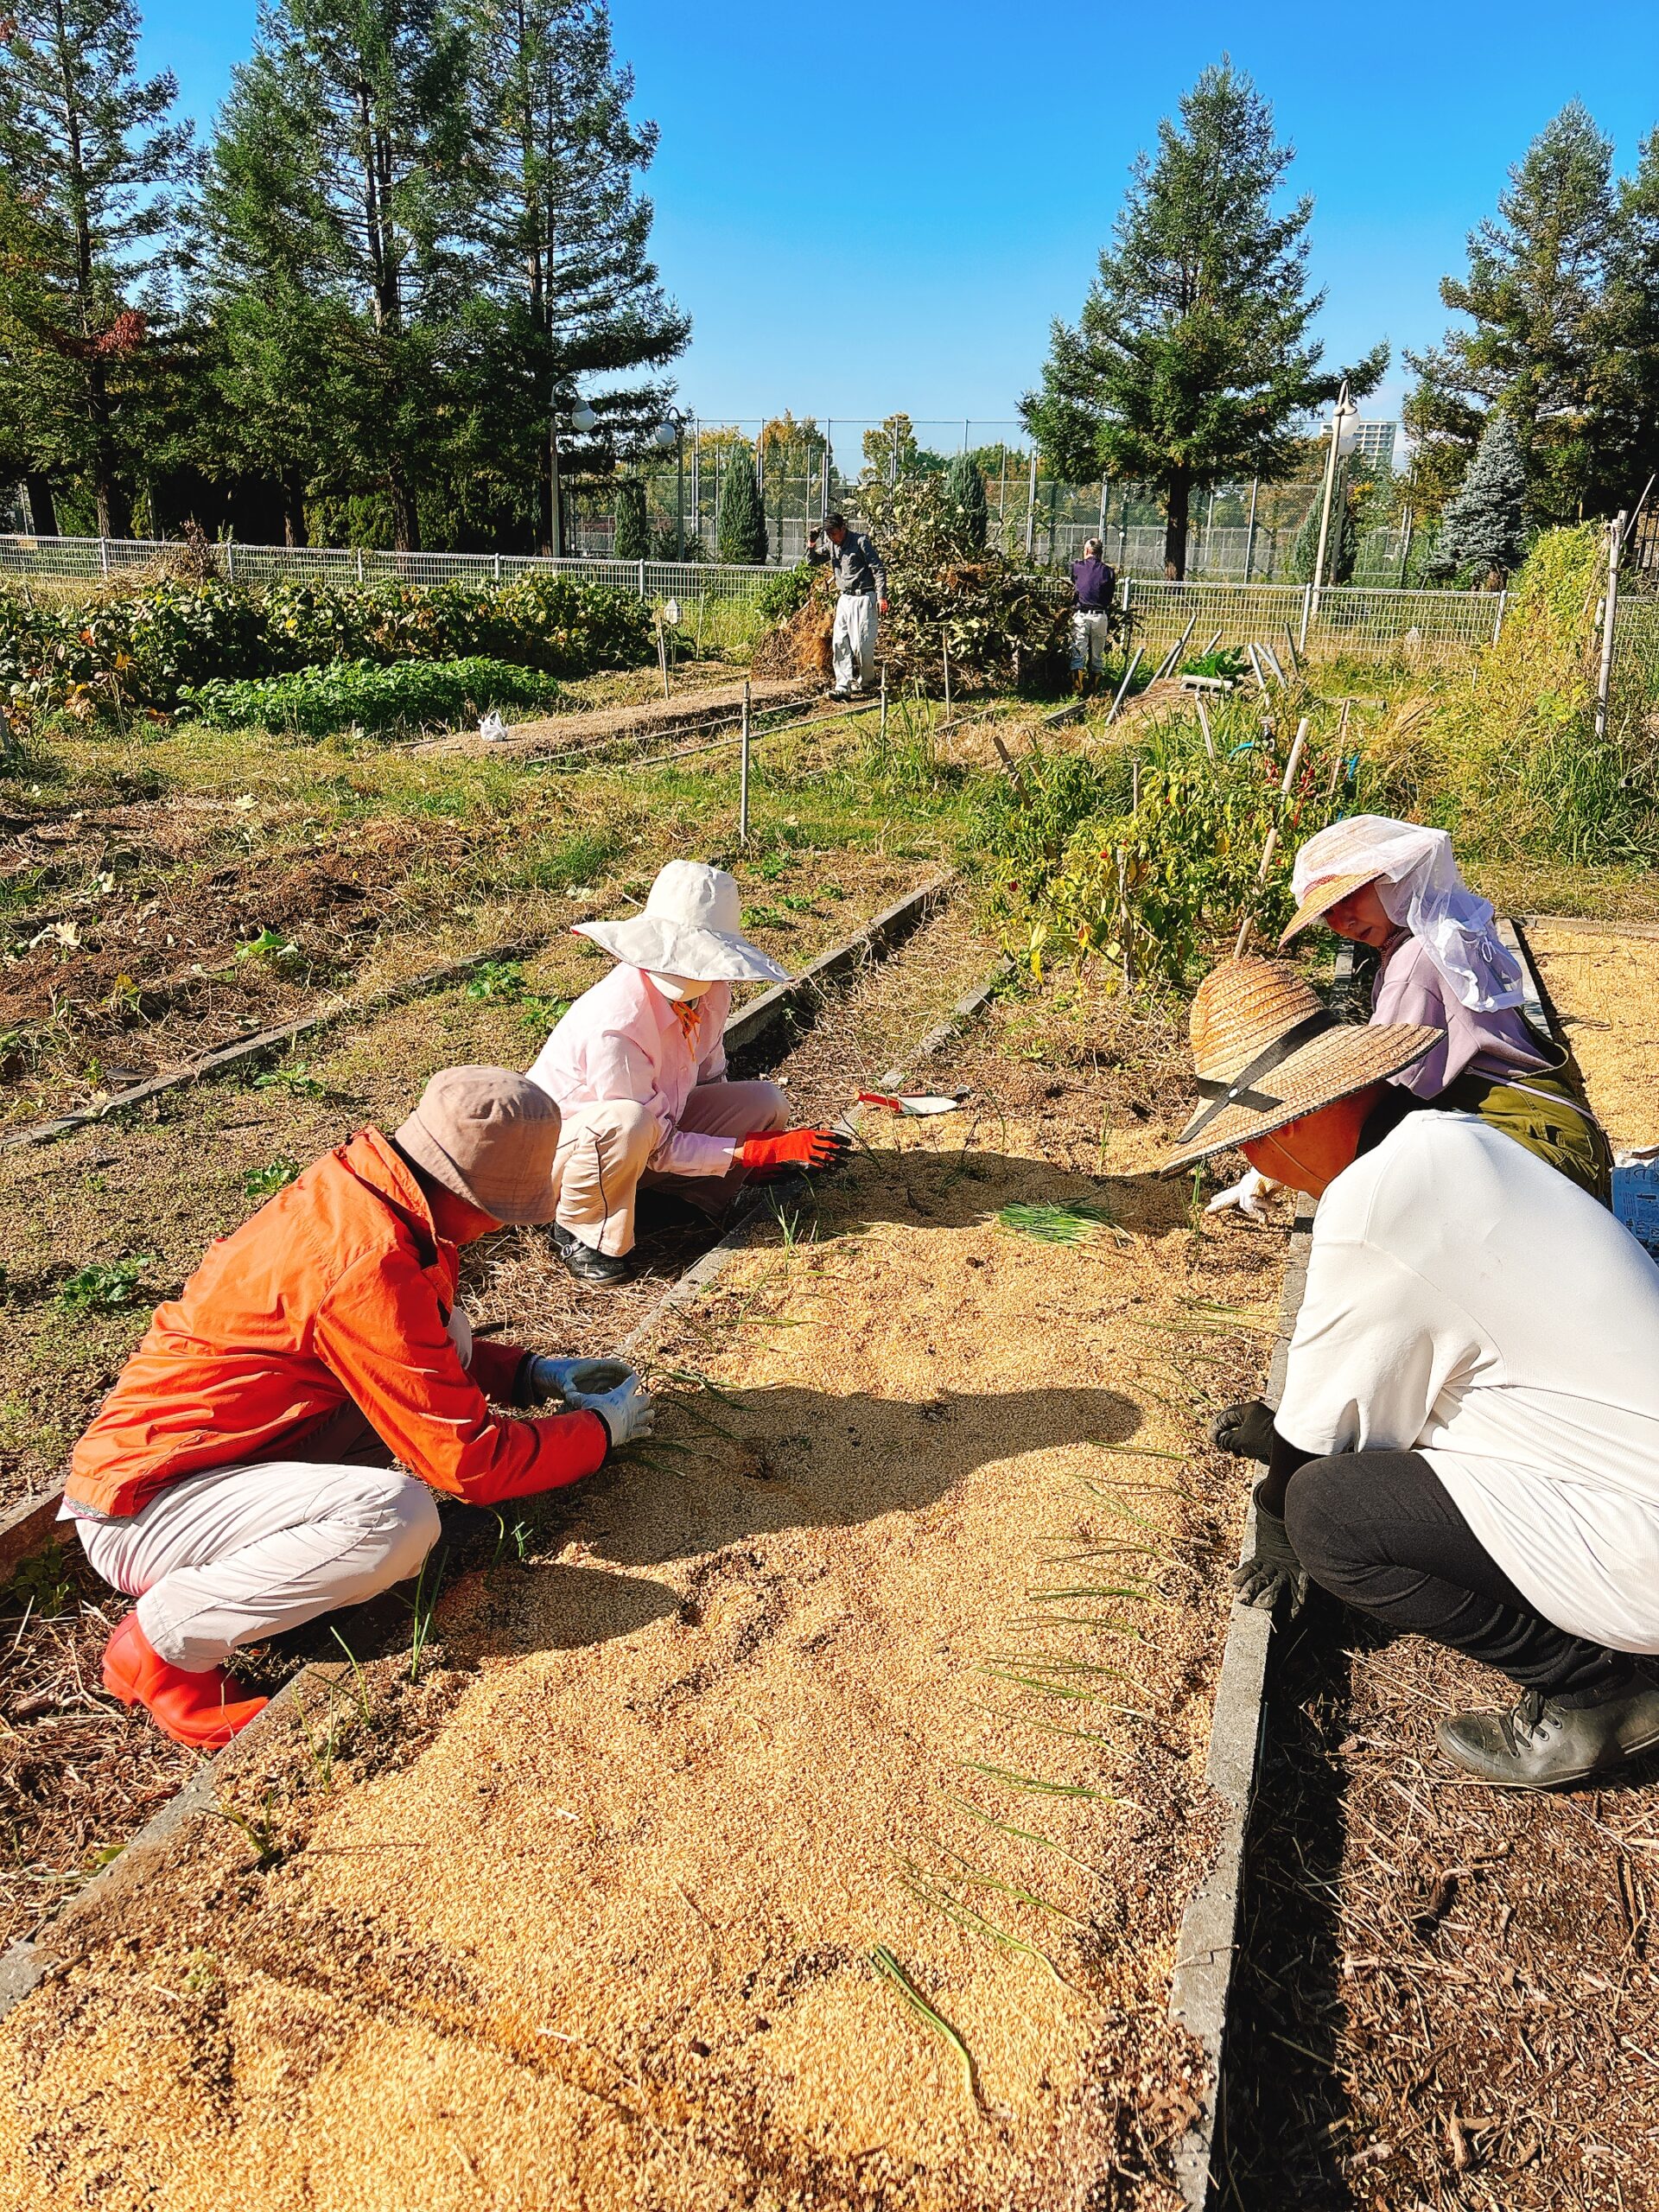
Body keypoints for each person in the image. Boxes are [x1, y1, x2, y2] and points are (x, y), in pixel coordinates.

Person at [1173, 957, 1659, 1790]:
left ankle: (1597, 1690)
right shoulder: (1453, 1138)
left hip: (1641, 1535)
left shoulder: (1373, 1205)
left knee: (1329, 1514)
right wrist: (1287, 1430)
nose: (1253, 1159)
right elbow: (1399, 1369)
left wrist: (1280, 1520)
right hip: (1629, 1458)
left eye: (1249, 1141)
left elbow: (1318, 1450)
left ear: (1283, 1127)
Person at [68, 1065, 655, 1749]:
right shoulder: (366, 1263)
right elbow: (472, 1466)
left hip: (227, 1453)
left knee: (454, 1335)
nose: (499, 1225)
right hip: (146, 1504)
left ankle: (263, 1577)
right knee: (397, 1520)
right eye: (502, 1209)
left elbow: (415, 1350)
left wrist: (532, 1374)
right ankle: (159, 1646)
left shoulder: (372, 1193)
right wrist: (597, 1432)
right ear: (464, 1192)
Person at [1209, 815, 1609, 1216]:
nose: (1343, 921)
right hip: (1559, 1133)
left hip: (1542, 1156)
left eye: (1351, 897)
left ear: (1392, 880)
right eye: (1328, 912)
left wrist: (1276, 1165)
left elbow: (1369, 1093)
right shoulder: (1441, 932)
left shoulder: (1415, 963)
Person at [528, 861, 850, 1285]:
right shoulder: (618, 1026)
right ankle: (582, 1231)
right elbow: (650, 1139)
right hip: (567, 1159)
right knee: (627, 1122)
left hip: (644, 1139)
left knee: (765, 1102)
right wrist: (746, 1152)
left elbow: (709, 1076)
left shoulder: (712, 993)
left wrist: (740, 1154)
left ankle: (683, 1198)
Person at [806, 512, 888, 700]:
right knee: (839, 642)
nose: (832, 538)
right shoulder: (832, 545)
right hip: (844, 598)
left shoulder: (860, 542)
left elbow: (878, 569)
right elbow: (812, 562)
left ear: (843, 528)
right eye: (828, 534)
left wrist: (882, 597)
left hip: (864, 597)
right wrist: (812, 543)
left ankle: (867, 681)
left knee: (861, 645)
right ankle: (843, 686)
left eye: (834, 533)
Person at [1068, 537, 1116, 693]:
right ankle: (1094, 687)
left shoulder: (1077, 567)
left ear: (1087, 551)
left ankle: (1077, 687)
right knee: (1097, 654)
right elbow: (1109, 597)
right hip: (1100, 616)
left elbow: (1075, 585)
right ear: (1100, 553)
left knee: (1078, 651)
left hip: (1081, 615)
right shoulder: (1109, 572)